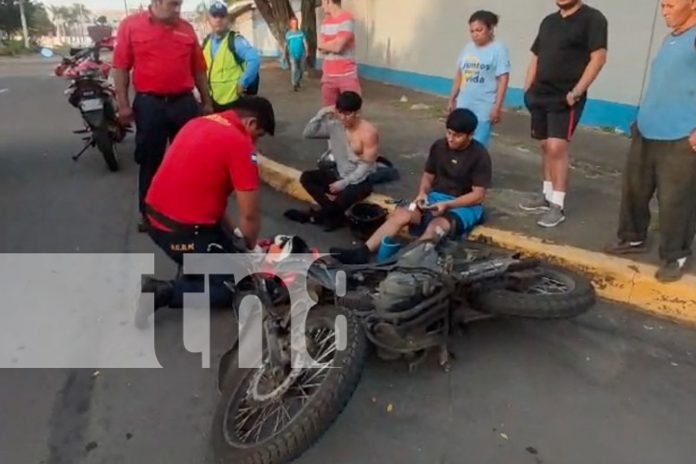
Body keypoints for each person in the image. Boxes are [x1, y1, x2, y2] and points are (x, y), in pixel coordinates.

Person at [134, 96, 275, 328]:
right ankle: (164, 291)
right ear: (250, 124)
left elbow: (214, 203)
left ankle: (196, 267)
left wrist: (235, 238)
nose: (256, 145)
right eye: (258, 135)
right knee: (233, 285)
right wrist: (251, 247)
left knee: (230, 249)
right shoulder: (240, 144)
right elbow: (250, 215)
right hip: (181, 232)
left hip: (155, 217)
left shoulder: (198, 123)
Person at [605, 0, 696, 283]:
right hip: (647, 130)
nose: (664, 10)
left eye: (670, 4)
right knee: (635, 189)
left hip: (680, 136)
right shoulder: (671, 37)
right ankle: (633, 238)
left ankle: (675, 254)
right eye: (662, 5)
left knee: (676, 200)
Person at [331, 109, 492, 265]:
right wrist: (422, 193)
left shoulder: (480, 155)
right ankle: (363, 252)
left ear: (470, 135)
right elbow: (428, 176)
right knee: (402, 213)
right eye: (449, 132)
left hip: (464, 205)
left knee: (435, 228)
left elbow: (478, 195)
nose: (451, 138)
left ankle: (403, 263)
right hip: (435, 198)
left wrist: (448, 205)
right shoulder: (439, 146)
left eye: (457, 136)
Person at [113, 0, 214, 233]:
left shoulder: (186, 29)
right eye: (173, 4)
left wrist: (207, 102)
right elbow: (120, 68)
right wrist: (123, 105)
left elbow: (198, 69)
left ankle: (189, 214)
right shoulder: (131, 26)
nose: (177, 9)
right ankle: (149, 215)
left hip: (184, 104)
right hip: (150, 105)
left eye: (179, 5)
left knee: (190, 161)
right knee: (150, 161)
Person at [519, 0, 608, 228]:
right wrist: (527, 89)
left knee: (557, 147)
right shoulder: (548, 22)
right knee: (545, 146)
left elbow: (598, 58)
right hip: (539, 94)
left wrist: (576, 92)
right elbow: (536, 57)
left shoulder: (593, 19)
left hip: (565, 97)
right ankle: (546, 195)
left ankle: (557, 205)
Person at [284, 91, 379, 231]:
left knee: (345, 196)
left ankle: (316, 217)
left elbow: (366, 166)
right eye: (340, 112)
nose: (343, 117)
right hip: (339, 173)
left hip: (360, 181)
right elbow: (308, 133)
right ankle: (333, 215)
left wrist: (344, 182)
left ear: (357, 112)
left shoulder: (368, 132)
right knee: (307, 177)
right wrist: (321, 113)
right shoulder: (335, 126)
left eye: (347, 114)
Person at [447, 10, 511, 149]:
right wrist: (452, 98)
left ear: (490, 29)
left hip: (484, 107)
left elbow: (503, 79)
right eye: (472, 31)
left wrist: (497, 107)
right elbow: (460, 74)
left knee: (478, 146)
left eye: (479, 30)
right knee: (459, 143)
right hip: (464, 104)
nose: (475, 34)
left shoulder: (498, 49)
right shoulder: (467, 48)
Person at [202, 2, 261, 112]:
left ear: (227, 19)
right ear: (209, 20)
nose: (218, 20)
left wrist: (243, 82)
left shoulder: (235, 40)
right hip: (212, 101)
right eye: (214, 16)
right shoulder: (206, 43)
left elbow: (254, 60)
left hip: (233, 101)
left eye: (222, 16)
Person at [318, 0, 361, 106]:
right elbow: (320, 46)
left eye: (322, 2)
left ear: (328, 1)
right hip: (328, 76)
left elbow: (337, 47)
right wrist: (332, 43)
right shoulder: (325, 22)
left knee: (351, 113)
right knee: (330, 114)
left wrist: (328, 45)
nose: (321, 6)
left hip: (347, 76)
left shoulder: (346, 19)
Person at [284, 17, 309, 91]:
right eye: (293, 23)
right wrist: (284, 54)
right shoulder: (288, 34)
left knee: (301, 69)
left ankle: (298, 81)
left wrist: (307, 51)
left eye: (296, 23)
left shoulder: (301, 33)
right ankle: (294, 84)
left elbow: (305, 42)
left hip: (302, 54)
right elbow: (285, 44)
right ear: (291, 24)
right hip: (292, 54)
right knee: (294, 69)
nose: (295, 25)